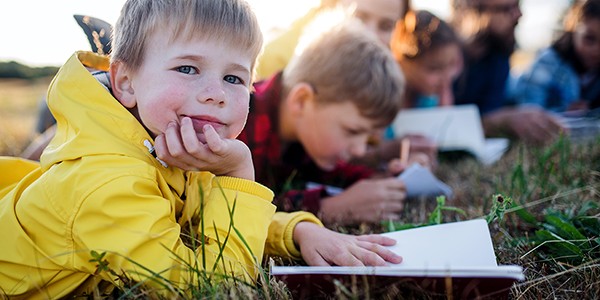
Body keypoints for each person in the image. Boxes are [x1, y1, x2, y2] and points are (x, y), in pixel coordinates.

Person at [0, 0, 403, 297]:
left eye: (233, 78)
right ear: (124, 82)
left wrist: (298, 232)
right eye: (187, 68)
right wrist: (238, 174)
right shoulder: (107, 181)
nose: (216, 95)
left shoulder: (166, 143)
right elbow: (214, 284)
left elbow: (203, 215)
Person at [157, 18, 408, 227]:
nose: (359, 149)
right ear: (302, 100)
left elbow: (331, 173)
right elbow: (219, 206)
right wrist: (330, 208)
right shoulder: (232, 124)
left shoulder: (305, 133)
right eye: (352, 131)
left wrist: (381, 178)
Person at [450, 0, 566, 145]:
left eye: (518, 5)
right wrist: (503, 121)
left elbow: (489, 111)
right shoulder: (441, 55)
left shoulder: (498, 57)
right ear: (474, 11)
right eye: (506, 9)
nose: (519, 14)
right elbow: (438, 124)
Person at [255, 0, 411, 80]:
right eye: (359, 17)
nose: (370, 35)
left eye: (386, 26)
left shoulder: (382, 70)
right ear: (332, 5)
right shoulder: (277, 59)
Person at [512, 0, 600, 112]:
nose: (597, 50)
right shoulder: (547, 63)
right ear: (572, 29)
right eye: (589, 39)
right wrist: (564, 112)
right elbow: (528, 108)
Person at [390, 10, 463, 109]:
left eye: (451, 64)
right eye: (434, 69)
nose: (446, 77)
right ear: (403, 63)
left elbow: (445, 115)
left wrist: (444, 95)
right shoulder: (387, 96)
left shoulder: (432, 94)